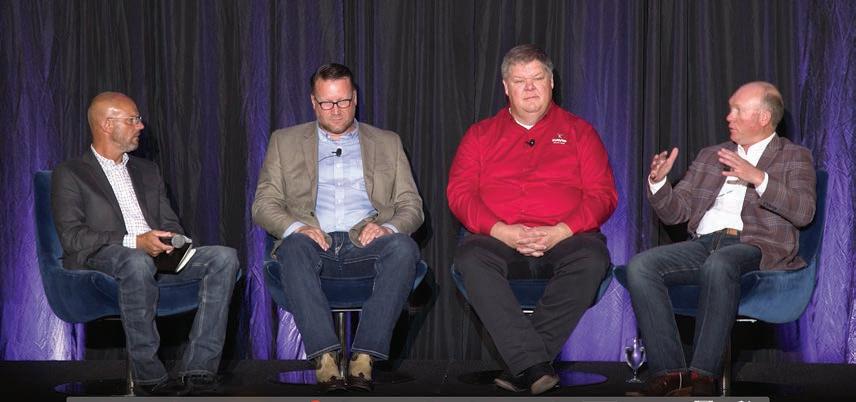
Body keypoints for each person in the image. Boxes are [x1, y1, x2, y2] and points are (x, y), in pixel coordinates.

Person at [626, 81, 816, 396]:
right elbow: (676, 212)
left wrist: (758, 178)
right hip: (703, 243)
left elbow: (804, 211)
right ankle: (672, 373)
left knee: (720, 263)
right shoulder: (711, 155)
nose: (729, 117)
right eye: (730, 109)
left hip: (753, 245)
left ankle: (703, 374)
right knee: (641, 266)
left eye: (738, 110)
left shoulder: (794, 156)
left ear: (764, 117)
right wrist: (659, 184)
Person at [447, 44, 617, 395]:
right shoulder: (480, 135)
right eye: (519, 81)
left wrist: (561, 231)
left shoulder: (580, 132)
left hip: (566, 237)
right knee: (469, 257)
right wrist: (501, 231)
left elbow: (603, 195)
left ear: (551, 82)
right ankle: (534, 366)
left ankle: (523, 366)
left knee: (593, 258)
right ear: (505, 87)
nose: (529, 88)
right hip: (498, 238)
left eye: (537, 79)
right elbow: (459, 195)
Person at [51, 92, 240, 396]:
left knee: (224, 257)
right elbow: (73, 237)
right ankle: (149, 376)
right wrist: (135, 242)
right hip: (102, 257)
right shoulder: (71, 173)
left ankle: (199, 369)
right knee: (135, 260)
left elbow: (171, 224)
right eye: (133, 120)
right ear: (107, 124)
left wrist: (173, 242)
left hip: (153, 254)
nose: (141, 126)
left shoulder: (147, 171)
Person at [252, 63, 423, 393]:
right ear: (313, 102)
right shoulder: (284, 141)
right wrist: (297, 227)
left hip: (367, 246)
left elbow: (411, 205)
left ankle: (365, 356)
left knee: (404, 247)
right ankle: (325, 356)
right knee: (293, 246)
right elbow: (263, 204)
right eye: (327, 102)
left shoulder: (387, 142)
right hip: (312, 245)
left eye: (343, 101)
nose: (336, 110)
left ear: (355, 98)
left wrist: (388, 228)